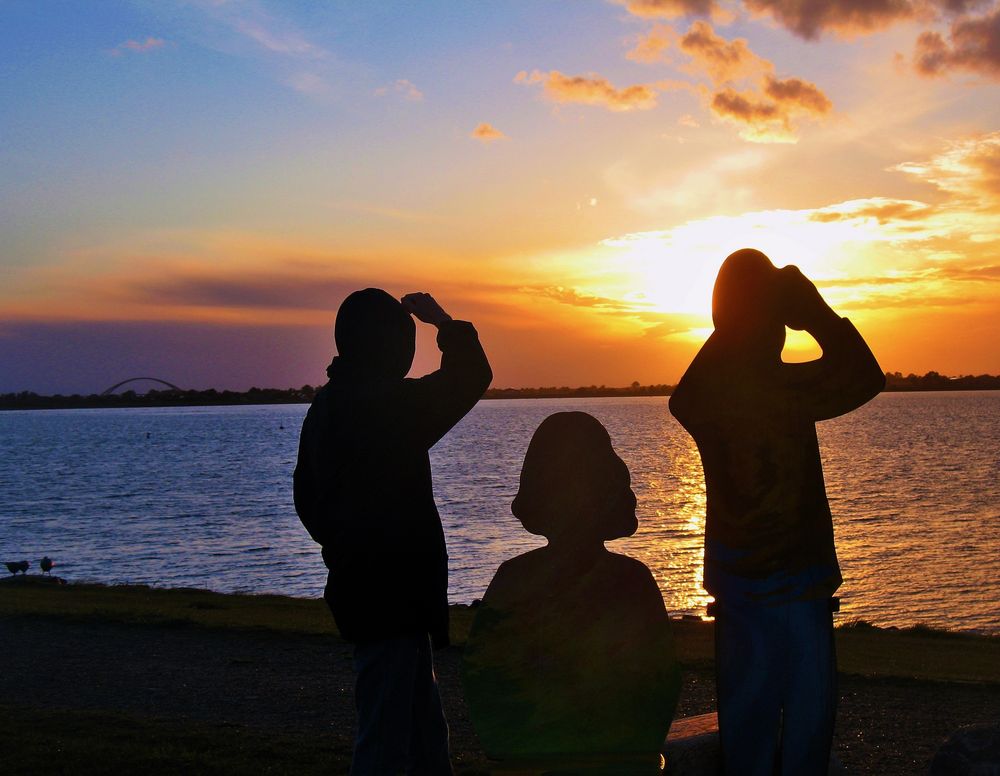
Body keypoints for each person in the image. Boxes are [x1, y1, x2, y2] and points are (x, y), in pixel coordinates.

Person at [669, 249, 884, 776]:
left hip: (745, 584)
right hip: (795, 581)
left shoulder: (709, 391)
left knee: (753, 720)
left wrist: (748, 315)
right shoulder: (780, 390)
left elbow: (687, 394)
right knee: (803, 722)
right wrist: (814, 313)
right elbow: (864, 374)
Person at [294, 288, 492, 776]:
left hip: (372, 594)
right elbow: (471, 376)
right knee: (386, 740)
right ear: (384, 345)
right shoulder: (387, 408)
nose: (410, 353)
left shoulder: (326, 408)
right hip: (391, 598)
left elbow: (307, 500)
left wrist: (344, 548)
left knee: (422, 734)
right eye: (405, 342)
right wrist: (443, 322)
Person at [462, 412, 680, 774]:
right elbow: (660, 682)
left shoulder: (513, 577)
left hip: (555, 753)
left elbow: (484, 676)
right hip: (613, 755)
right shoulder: (631, 579)